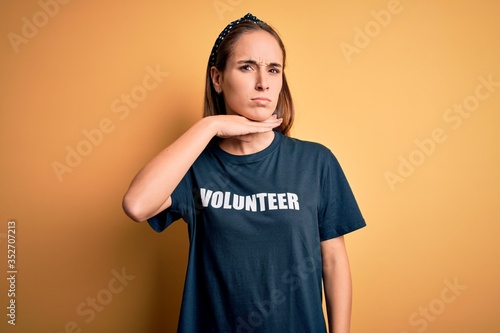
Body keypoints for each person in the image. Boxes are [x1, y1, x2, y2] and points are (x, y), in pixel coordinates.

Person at [122, 13, 366, 333]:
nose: (263, 82)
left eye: (274, 69)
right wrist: (212, 125)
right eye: (247, 66)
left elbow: (333, 262)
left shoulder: (315, 162)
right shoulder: (193, 165)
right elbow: (136, 205)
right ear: (218, 78)